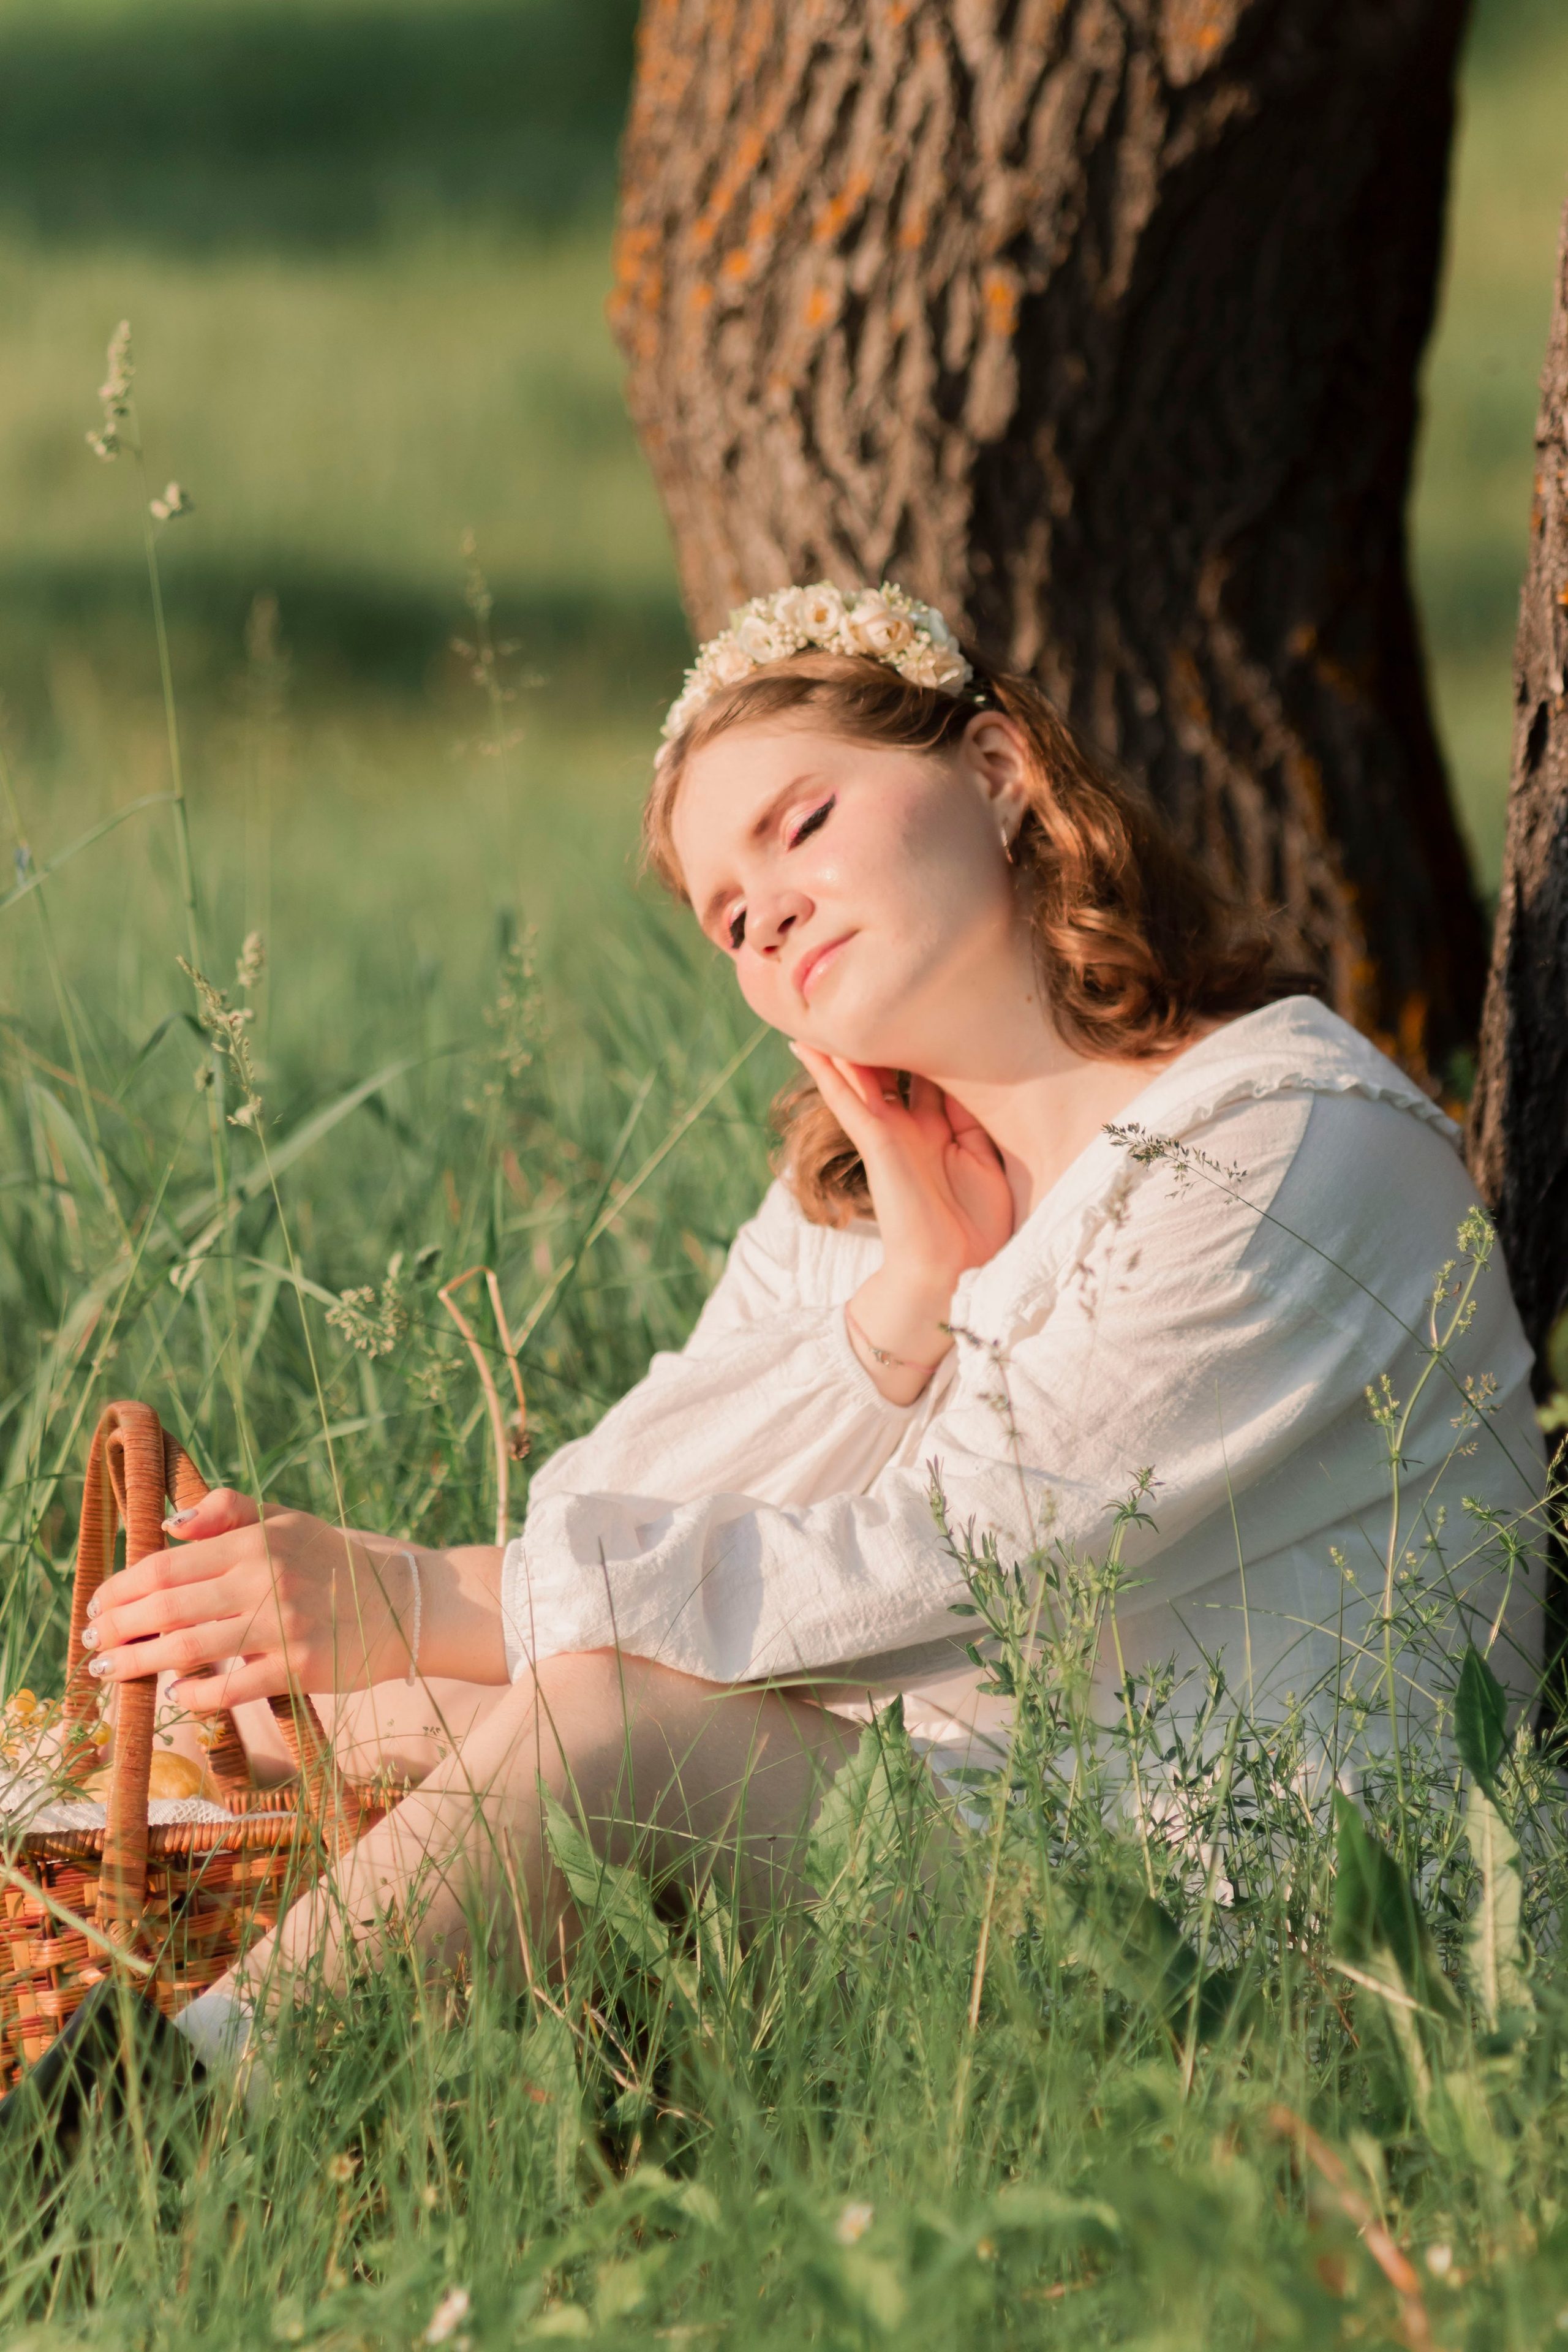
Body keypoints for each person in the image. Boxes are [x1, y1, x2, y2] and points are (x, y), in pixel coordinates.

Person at [75, 582, 1545, 2092]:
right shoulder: (866, 1181)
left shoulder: (1276, 1147)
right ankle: (93, 2012)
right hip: (969, 1823)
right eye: (727, 914)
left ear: (996, 771)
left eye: (801, 825)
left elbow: (972, 1559)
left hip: (1244, 1934)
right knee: (296, 1705)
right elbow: (605, 1514)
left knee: (608, 1724)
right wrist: (899, 1308)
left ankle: (159, 2122)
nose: (765, 911)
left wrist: (425, 1593)